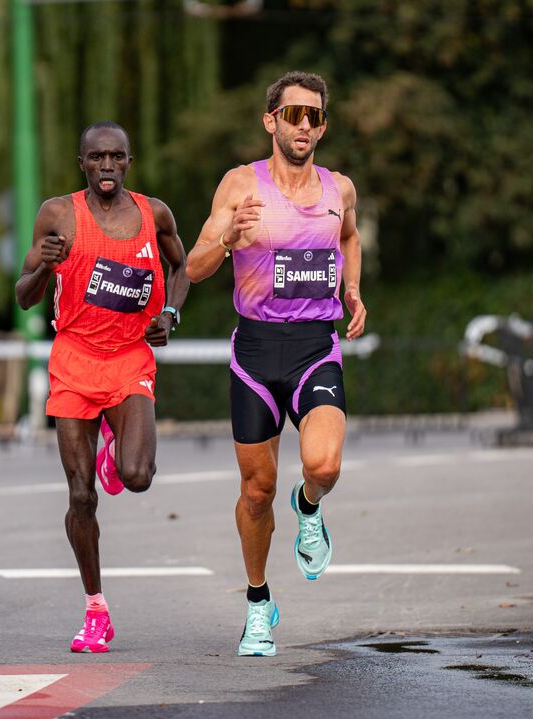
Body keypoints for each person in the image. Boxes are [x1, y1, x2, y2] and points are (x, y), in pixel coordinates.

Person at [186, 71, 365, 657]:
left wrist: (355, 292)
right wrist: (228, 238)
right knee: (256, 491)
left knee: (326, 463)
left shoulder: (341, 189)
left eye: (315, 116)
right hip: (255, 353)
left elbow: (350, 239)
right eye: (294, 115)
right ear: (271, 121)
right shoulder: (241, 185)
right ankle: (259, 604)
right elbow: (193, 268)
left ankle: (309, 506)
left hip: (316, 346)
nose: (305, 125)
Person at [15, 120, 189, 653]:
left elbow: (181, 269)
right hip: (74, 360)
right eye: (97, 159)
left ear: (128, 163)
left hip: (129, 357)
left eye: (116, 158)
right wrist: (44, 270)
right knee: (81, 495)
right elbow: (23, 296)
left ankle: (117, 450)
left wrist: (171, 312)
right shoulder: (58, 214)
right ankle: (95, 608)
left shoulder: (154, 213)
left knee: (137, 477)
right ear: (82, 163)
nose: (107, 167)